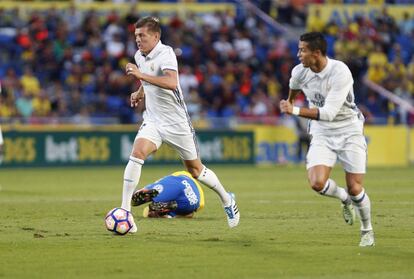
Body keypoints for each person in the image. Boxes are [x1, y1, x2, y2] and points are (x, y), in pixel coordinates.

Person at [120, 16, 240, 233]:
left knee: (195, 170)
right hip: (154, 120)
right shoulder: (140, 55)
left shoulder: (166, 53)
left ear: (156, 36)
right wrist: (139, 92)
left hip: (177, 123)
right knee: (137, 153)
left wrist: (140, 75)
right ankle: (125, 212)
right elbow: (149, 80)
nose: (138, 40)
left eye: (142, 36)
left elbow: (171, 82)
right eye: (136, 36)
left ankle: (226, 199)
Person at [279, 32, 374, 247]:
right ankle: (343, 198)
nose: (298, 54)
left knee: (355, 187)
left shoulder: (339, 72)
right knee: (317, 183)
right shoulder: (300, 71)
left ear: (317, 53)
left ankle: (367, 230)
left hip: (349, 129)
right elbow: (293, 86)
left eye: (303, 50)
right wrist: (290, 101)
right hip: (322, 132)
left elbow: (329, 112)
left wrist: (293, 109)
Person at [132, 171, 205, 218]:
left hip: (195, 202)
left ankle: (165, 212)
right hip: (196, 200)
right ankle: (164, 211)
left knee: (151, 208)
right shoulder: (164, 186)